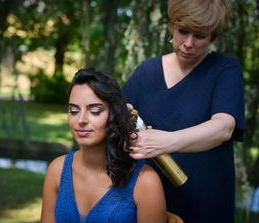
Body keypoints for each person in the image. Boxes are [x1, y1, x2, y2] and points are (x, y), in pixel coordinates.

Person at [122, 0, 245, 222]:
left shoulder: (226, 69)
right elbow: (115, 120)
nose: (188, 43)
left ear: (213, 36)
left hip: (206, 205)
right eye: (183, 31)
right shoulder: (146, 72)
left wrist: (165, 142)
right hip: (147, 204)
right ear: (172, 27)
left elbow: (224, 127)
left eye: (200, 36)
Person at [41, 68, 166, 223]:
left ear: (114, 115)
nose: (81, 120)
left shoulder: (145, 181)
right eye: (73, 111)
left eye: (94, 111)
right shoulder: (57, 170)